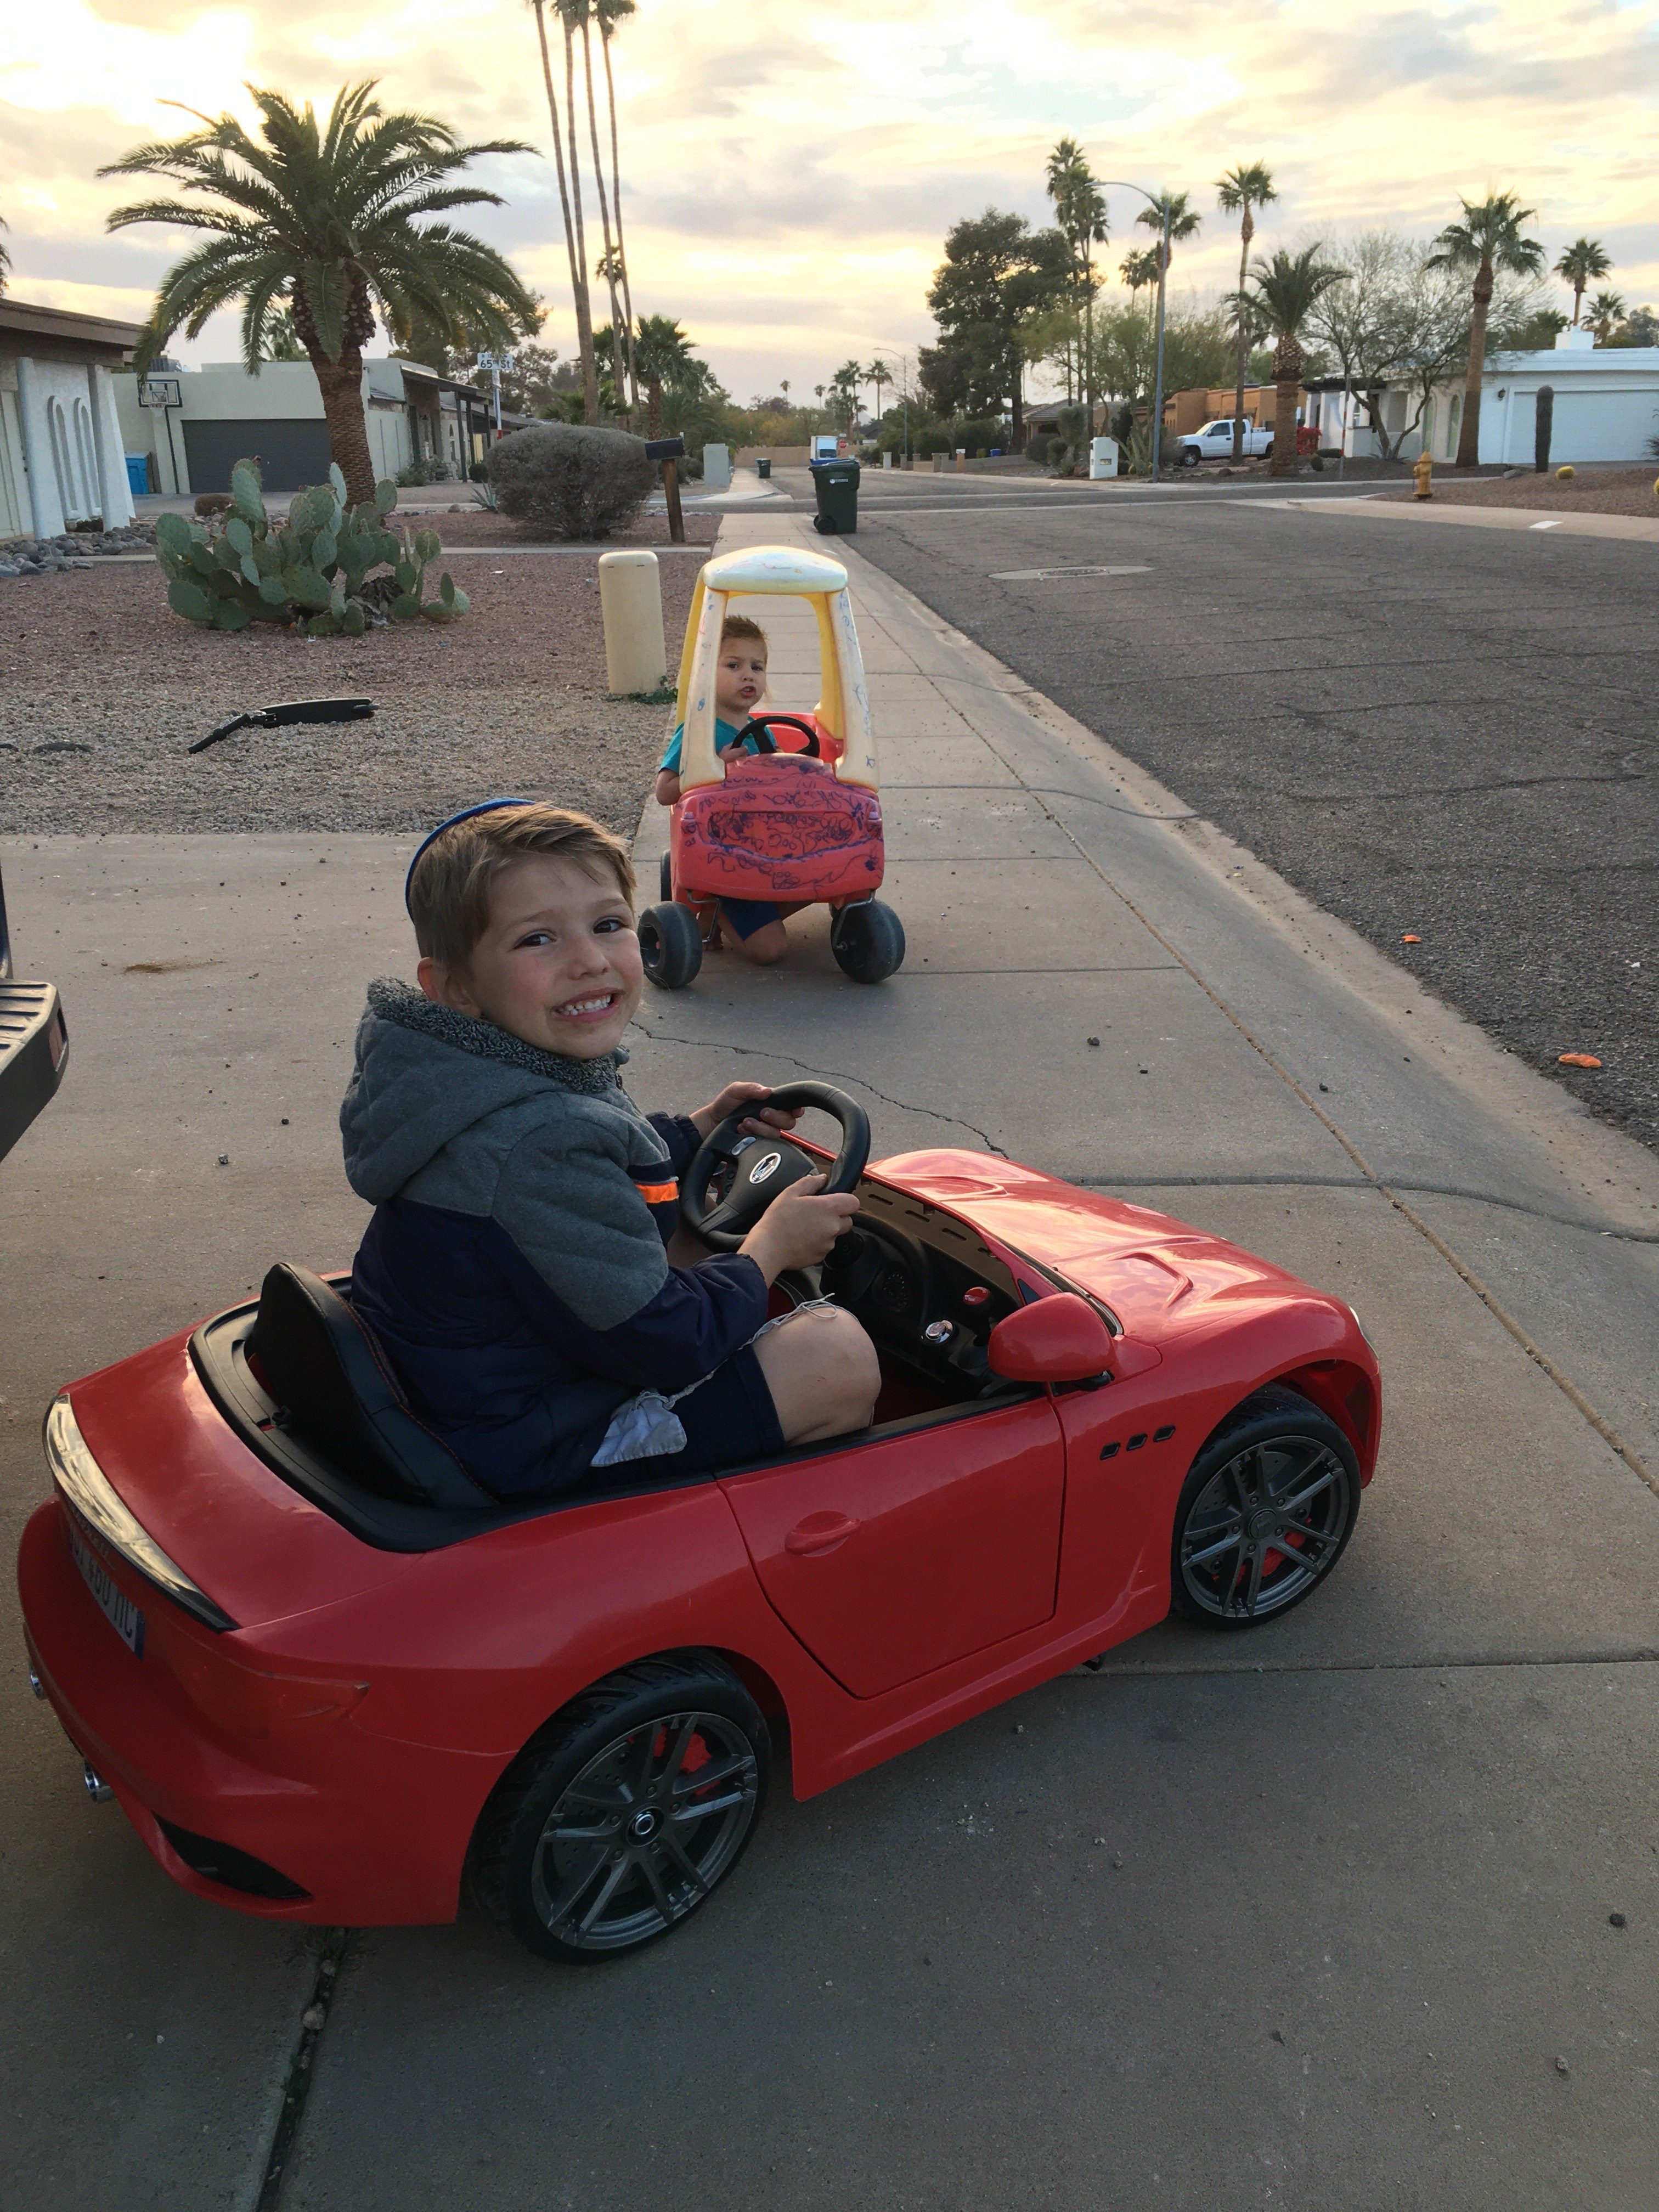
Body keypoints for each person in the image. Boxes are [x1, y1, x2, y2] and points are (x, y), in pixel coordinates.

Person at [340, 799, 880, 1504]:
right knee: (835, 1355)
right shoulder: (536, 1141)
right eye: (537, 940)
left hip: (478, 1389)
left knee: (693, 1236)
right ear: (455, 988)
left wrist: (696, 1131)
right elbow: (670, 1341)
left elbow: (586, 1173)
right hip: (520, 1445)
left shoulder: (472, 1080)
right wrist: (772, 1247)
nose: (589, 961)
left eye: (607, 925)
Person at [654, 613, 794, 965]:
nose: (748, 675)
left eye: (757, 667)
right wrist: (717, 765)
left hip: (768, 847)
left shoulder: (763, 731)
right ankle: (716, 905)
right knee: (771, 950)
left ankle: (740, 911)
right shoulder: (697, 732)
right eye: (734, 665)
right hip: (728, 856)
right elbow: (665, 792)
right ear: (706, 672)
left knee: (831, 876)